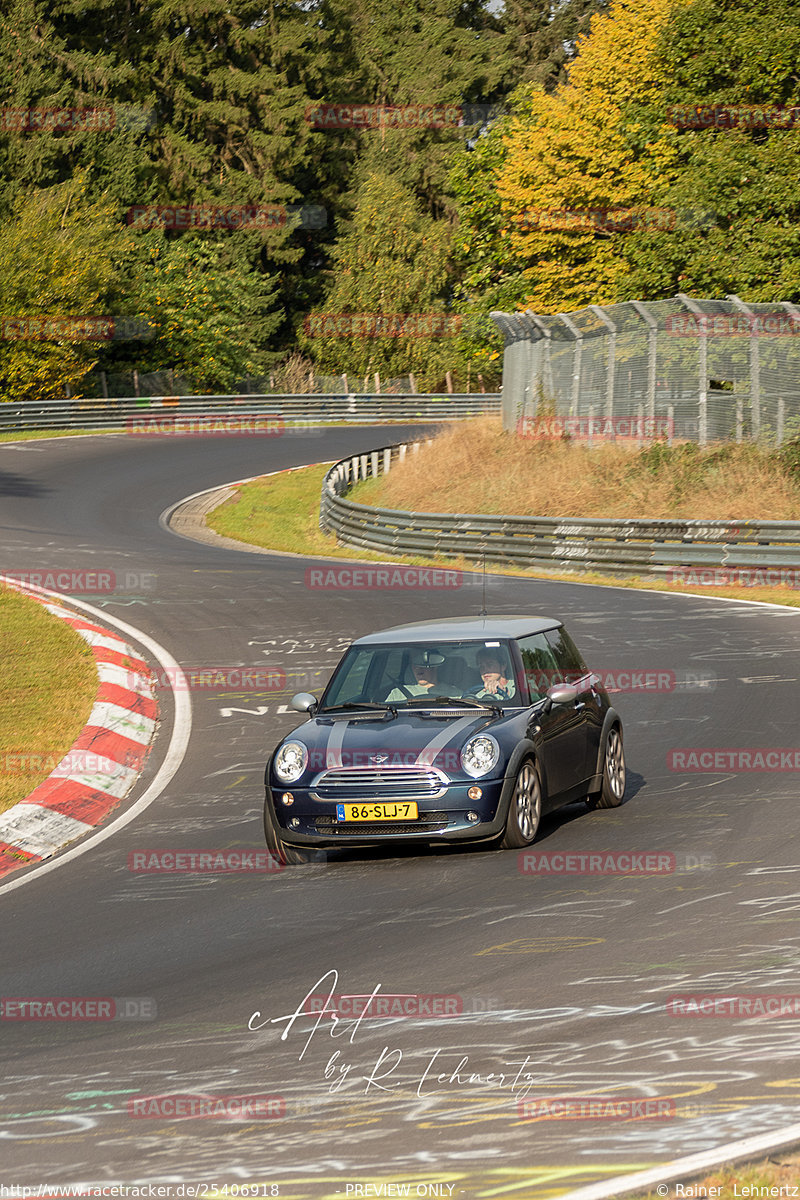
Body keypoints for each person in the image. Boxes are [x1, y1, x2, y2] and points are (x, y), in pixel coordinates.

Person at [385, 650, 452, 701]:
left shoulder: (455, 695)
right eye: (414, 663)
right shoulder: (397, 694)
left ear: (435, 666)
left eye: (421, 663)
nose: (417, 668)